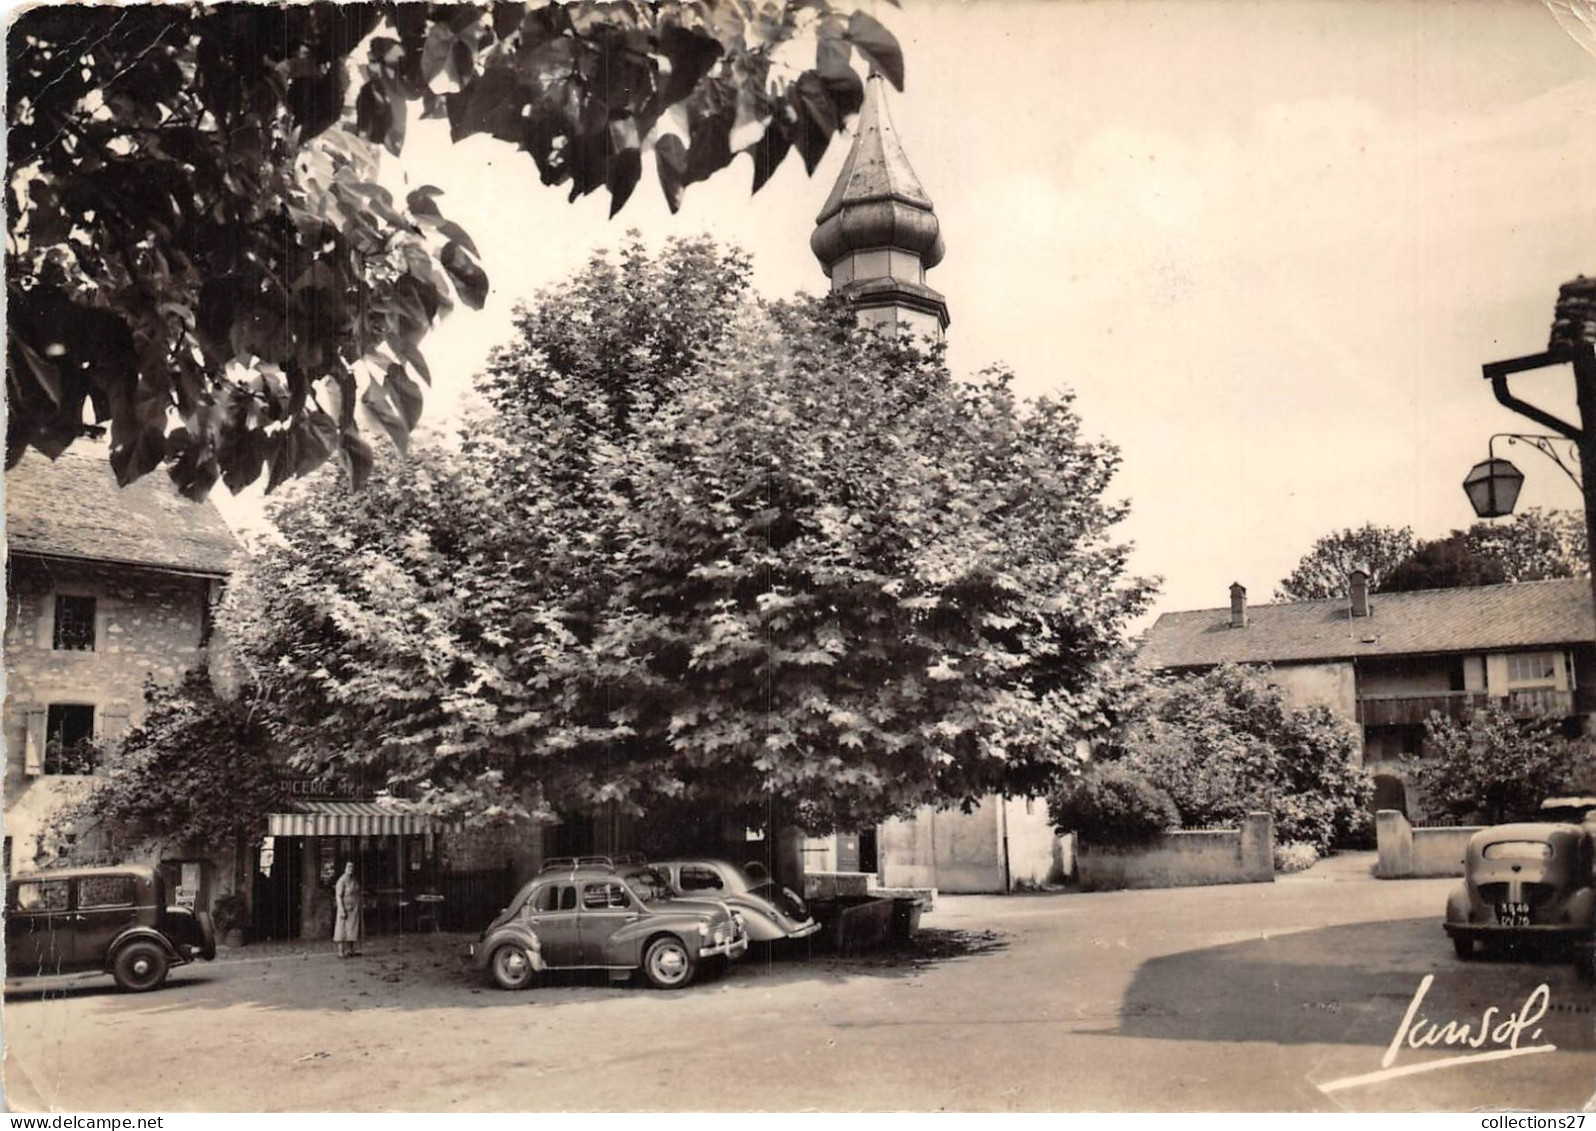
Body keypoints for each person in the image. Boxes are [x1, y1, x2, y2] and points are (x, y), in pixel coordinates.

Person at [333, 862, 363, 958]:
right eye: (348, 866)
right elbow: (338, 896)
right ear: (344, 868)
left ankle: (350, 950)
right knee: (342, 929)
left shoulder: (354, 879)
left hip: (354, 908)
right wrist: (341, 909)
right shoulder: (341, 880)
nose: (350, 868)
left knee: (352, 928)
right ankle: (341, 952)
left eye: (352, 867)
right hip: (345, 907)